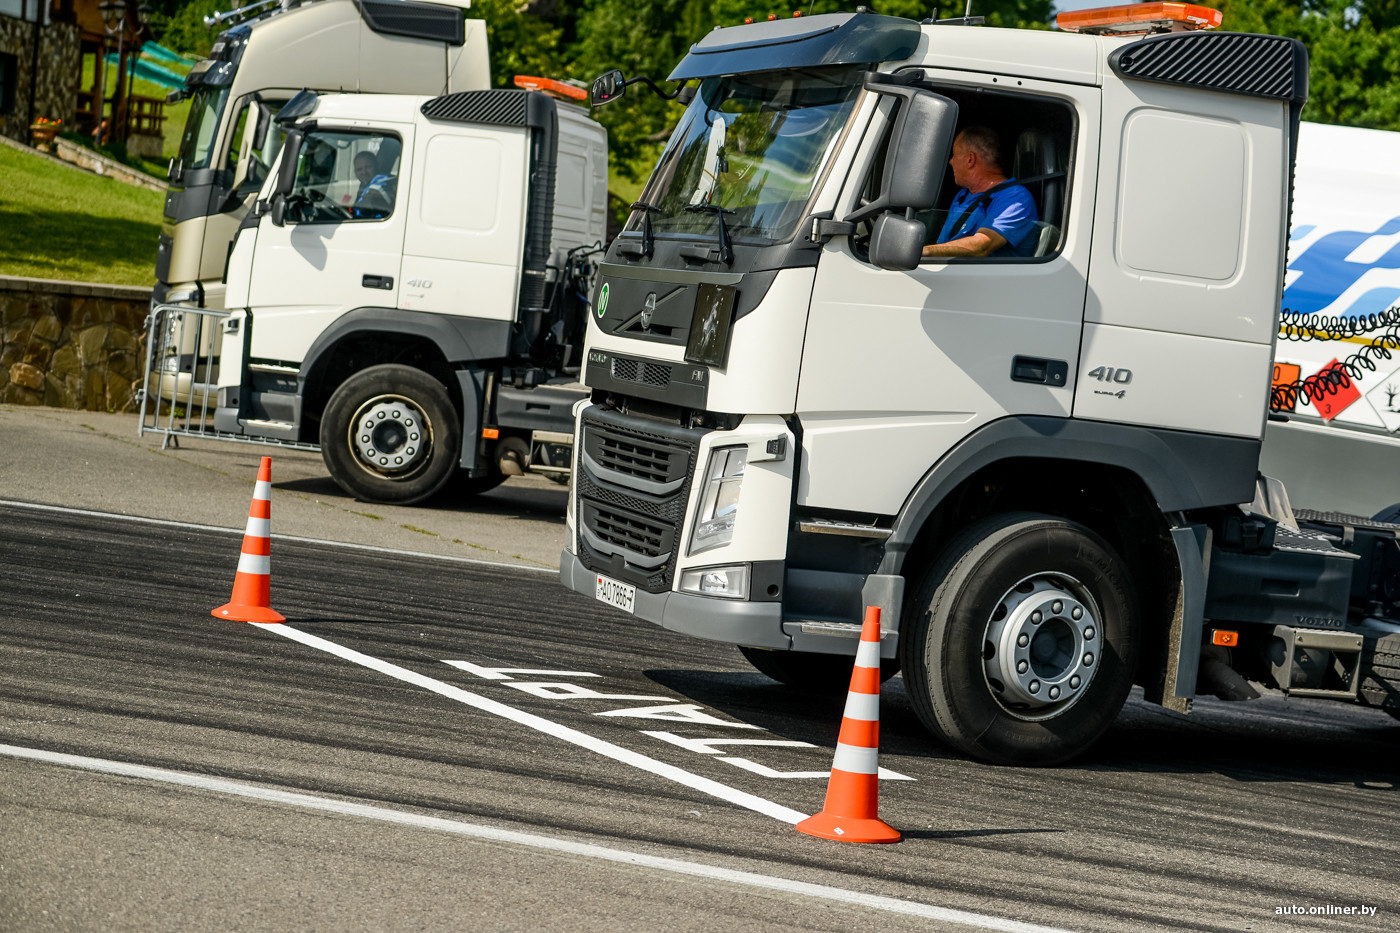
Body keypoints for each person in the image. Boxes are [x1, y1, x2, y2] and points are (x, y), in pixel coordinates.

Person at [922, 126, 1038, 259]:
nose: (951, 161)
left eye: (954, 155)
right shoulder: (963, 195)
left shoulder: (1016, 198)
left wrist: (923, 252)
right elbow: (943, 245)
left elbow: (982, 245)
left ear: (970, 159)